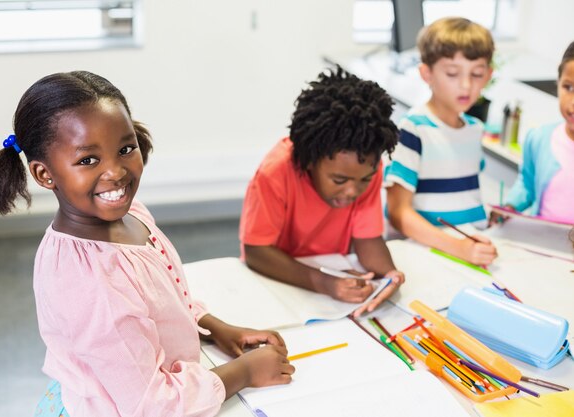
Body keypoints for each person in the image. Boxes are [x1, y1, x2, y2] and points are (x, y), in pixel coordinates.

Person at [0, 71, 294, 417]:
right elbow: (148, 406)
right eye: (88, 160)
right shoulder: (92, 284)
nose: (116, 172)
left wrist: (215, 328)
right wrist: (245, 372)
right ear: (45, 174)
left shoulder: (131, 214)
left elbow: (164, 298)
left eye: (125, 149)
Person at [239, 66, 405, 315]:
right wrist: (324, 283)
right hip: (275, 276)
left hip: (330, 268)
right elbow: (256, 251)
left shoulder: (366, 169)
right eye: (339, 180)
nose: (352, 191)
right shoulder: (275, 172)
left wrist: (390, 274)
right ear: (309, 160)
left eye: (364, 180)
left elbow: (367, 239)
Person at [385, 17, 499, 267]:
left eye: (477, 74)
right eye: (452, 73)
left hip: (469, 251)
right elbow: (398, 213)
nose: (467, 85)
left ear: (489, 74)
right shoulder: (414, 129)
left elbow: (463, 198)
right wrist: (458, 248)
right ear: (427, 73)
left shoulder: (474, 129)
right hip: (430, 254)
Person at [494, 41, 574, 225]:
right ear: (558, 83)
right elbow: (527, 184)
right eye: (568, 87)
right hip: (540, 245)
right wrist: (510, 207)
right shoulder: (539, 138)